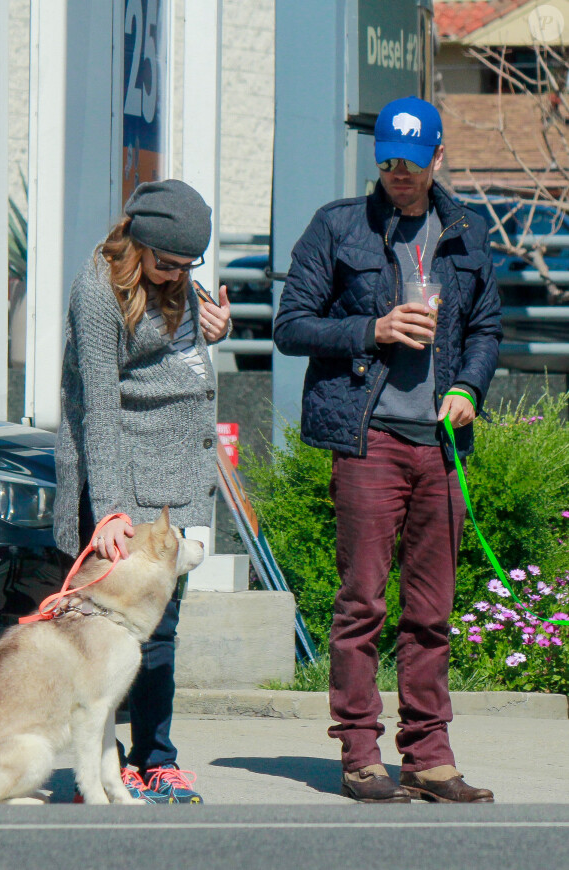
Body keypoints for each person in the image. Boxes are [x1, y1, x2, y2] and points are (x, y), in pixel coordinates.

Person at [274, 96, 502, 804]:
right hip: (367, 438)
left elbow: (489, 328)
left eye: (411, 161)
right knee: (362, 603)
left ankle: (430, 756)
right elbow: (291, 325)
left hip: (441, 445)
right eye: (387, 162)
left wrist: (468, 387)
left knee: (431, 611)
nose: (398, 174)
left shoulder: (464, 233)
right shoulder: (338, 226)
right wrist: (369, 330)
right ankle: (360, 752)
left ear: (438, 157)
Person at [54, 178, 231, 804]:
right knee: (109, 636)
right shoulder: (97, 291)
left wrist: (217, 328)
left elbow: (181, 353)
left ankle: (157, 758)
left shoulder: (179, 276)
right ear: (138, 239)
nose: (177, 274)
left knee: (161, 630)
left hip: (178, 479)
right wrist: (111, 512)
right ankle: (111, 762)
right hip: (122, 480)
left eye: (189, 265)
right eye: (168, 262)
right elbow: (98, 404)